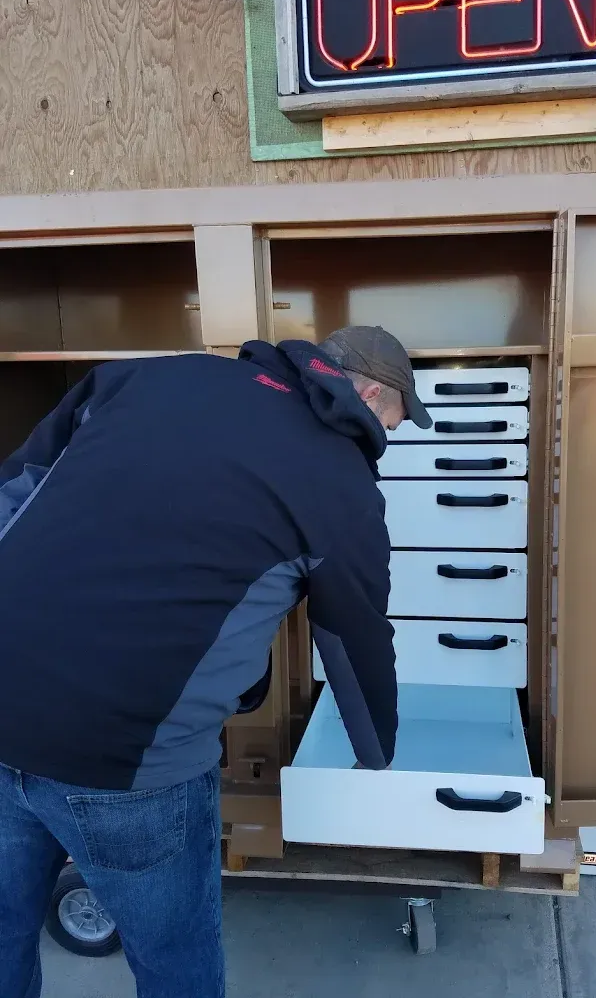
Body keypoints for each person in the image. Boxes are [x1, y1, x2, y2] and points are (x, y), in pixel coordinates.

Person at [0, 326, 432, 998]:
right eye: (391, 422)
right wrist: (376, 759)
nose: (382, 438)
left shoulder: (150, 376)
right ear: (370, 391)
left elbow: (16, 489)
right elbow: (354, 640)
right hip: (126, 761)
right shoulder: (339, 480)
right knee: (175, 958)